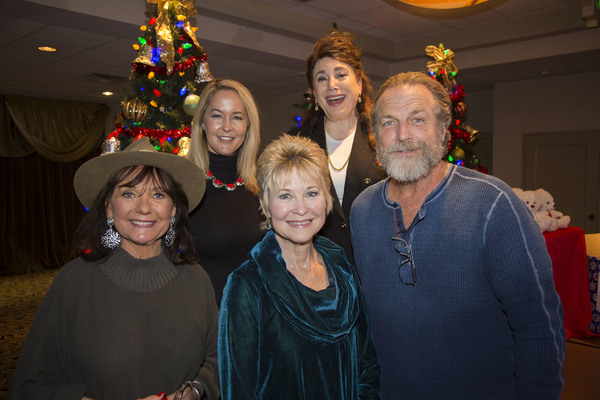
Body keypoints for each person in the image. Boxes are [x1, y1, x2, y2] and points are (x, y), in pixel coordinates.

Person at [350, 71, 565, 399]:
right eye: (389, 122)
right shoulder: (362, 209)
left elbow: (538, 326)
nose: (402, 134)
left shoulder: (493, 204)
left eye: (417, 119)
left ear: (443, 131)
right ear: (375, 135)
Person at [11, 137, 219, 400]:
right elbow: (30, 385)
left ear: (174, 209)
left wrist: (194, 391)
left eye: (158, 194)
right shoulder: (75, 281)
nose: (144, 208)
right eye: (129, 193)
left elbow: (217, 360)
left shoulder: (195, 280)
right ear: (109, 207)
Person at [218, 134, 380, 400]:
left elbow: (367, 365)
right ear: (265, 206)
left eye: (311, 193)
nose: (301, 208)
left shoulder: (342, 269)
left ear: (327, 199)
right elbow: (239, 390)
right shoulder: (248, 285)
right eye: (285, 196)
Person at [291, 32, 386, 262]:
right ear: (313, 92)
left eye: (341, 75)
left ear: (360, 84)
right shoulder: (295, 146)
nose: (332, 85)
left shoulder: (384, 140)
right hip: (317, 274)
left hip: (374, 271)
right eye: (322, 78)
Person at [187, 79, 263, 304]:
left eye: (237, 117)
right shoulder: (183, 186)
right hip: (208, 319)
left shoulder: (263, 185)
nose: (227, 126)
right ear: (202, 121)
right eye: (217, 115)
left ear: (248, 125)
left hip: (256, 315)